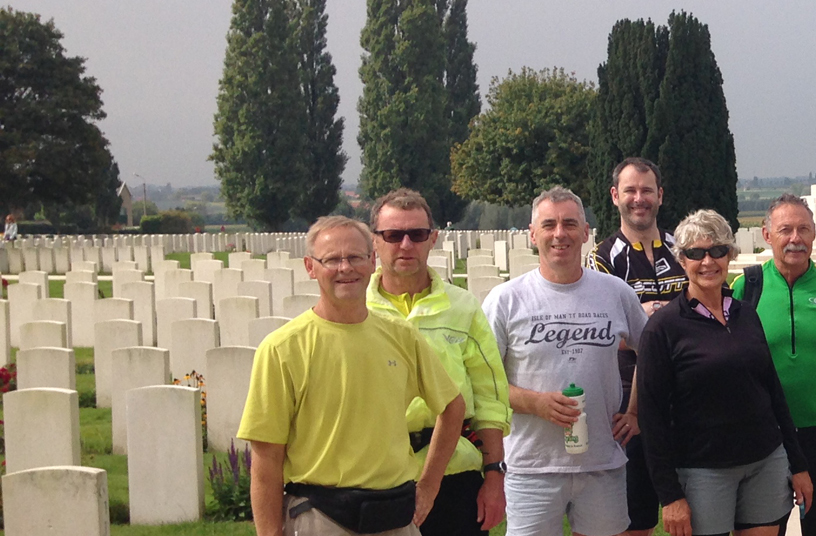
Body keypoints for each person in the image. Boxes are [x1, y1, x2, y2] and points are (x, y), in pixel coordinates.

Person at [239, 216, 465, 536]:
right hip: (320, 517)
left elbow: (453, 406)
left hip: (396, 517)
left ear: (372, 262)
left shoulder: (402, 336)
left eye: (356, 257)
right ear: (310, 267)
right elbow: (265, 460)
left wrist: (428, 486)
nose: (346, 268)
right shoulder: (281, 349)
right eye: (332, 259)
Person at [636, 209, 814, 536]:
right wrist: (670, 496)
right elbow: (652, 417)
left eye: (717, 251)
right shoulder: (663, 329)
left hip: (764, 461)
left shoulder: (746, 314)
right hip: (704, 471)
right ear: (682, 260)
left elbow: (772, 391)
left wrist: (798, 464)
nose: (708, 261)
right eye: (695, 253)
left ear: (729, 255)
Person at [486, 187, 651, 536]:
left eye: (569, 224)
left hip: (602, 463)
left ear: (586, 231)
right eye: (549, 225)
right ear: (533, 234)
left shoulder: (615, 293)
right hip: (532, 466)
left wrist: (635, 412)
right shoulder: (506, 300)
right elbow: (484, 382)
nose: (560, 233)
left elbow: (651, 352)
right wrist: (535, 402)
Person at [365, 189, 513, 536]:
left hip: (453, 474)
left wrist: (494, 475)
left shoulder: (463, 309)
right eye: (393, 235)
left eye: (416, 235)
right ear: (375, 241)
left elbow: (489, 399)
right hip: (375, 476)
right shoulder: (357, 311)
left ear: (433, 239)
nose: (405, 245)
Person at [729, 194, 816, 536]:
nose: (795, 238)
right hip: (763, 437)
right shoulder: (746, 287)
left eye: (803, 229)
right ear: (767, 235)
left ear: (814, 234)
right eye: (785, 230)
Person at [591, 157, 678, 535]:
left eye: (647, 190)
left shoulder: (685, 249)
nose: (639, 198)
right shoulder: (601, 258)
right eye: (630, 190)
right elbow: (605, 333)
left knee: (698, 512)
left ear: (660, 195)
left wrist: (645, 318)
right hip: (630, 407)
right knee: (635, 520)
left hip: (687, 399)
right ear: (615, 196)